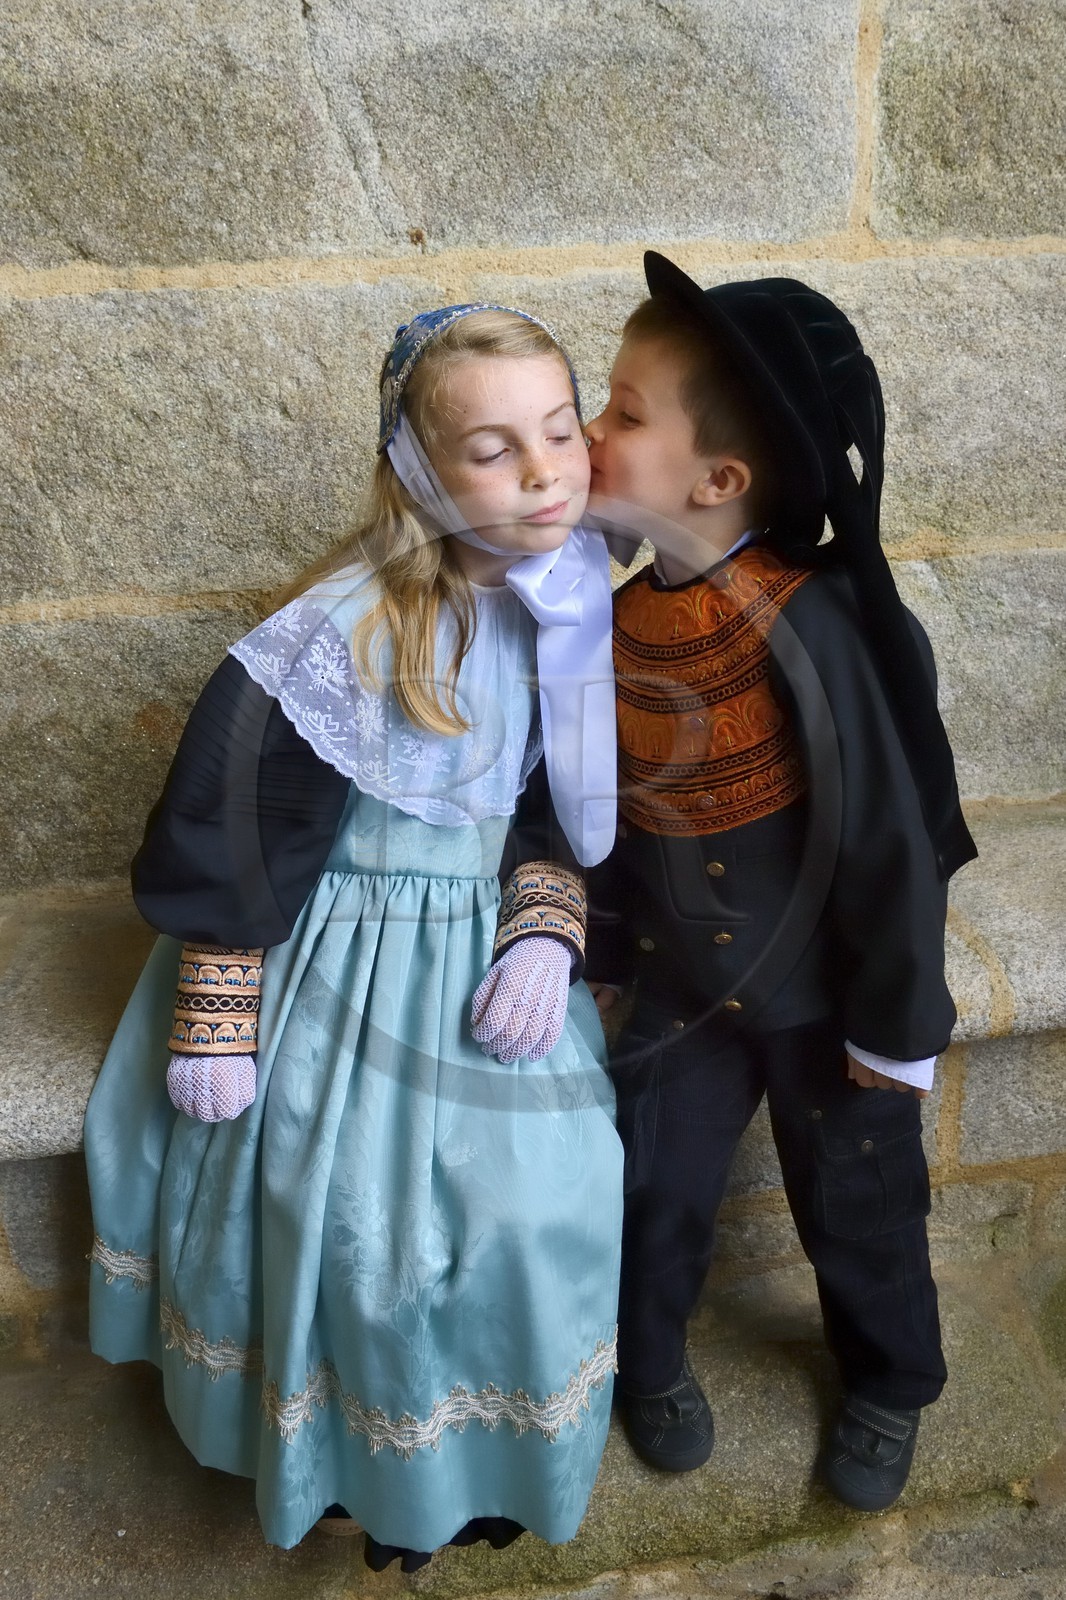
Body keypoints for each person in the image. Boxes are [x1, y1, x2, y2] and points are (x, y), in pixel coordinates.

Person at [84, 303, 622, 1567]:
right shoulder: (345, 631)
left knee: (543, 1201)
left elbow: (560, 804)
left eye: (560, 430)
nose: (544, 472)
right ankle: (360, 1466)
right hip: (339, 947)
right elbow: (235, 820)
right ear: (420, 469)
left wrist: (543, 928)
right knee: (359, 1236)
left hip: (479, 940)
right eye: (493, 449)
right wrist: (219, 1009)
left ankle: (482, 1462)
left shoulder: (575, 604)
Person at [583, 253, 976, 1512]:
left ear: (719, 479)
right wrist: (594, 952)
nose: (587, 434)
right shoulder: (609, 622)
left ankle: (888, 1379)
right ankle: (643, 1361)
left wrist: (895, 1028)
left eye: (622, 415)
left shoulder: (810, 628)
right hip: (684, 990)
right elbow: (599, 812)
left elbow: (882, 841)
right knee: (649, 1184)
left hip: (823, 1001)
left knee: (858, 1199)